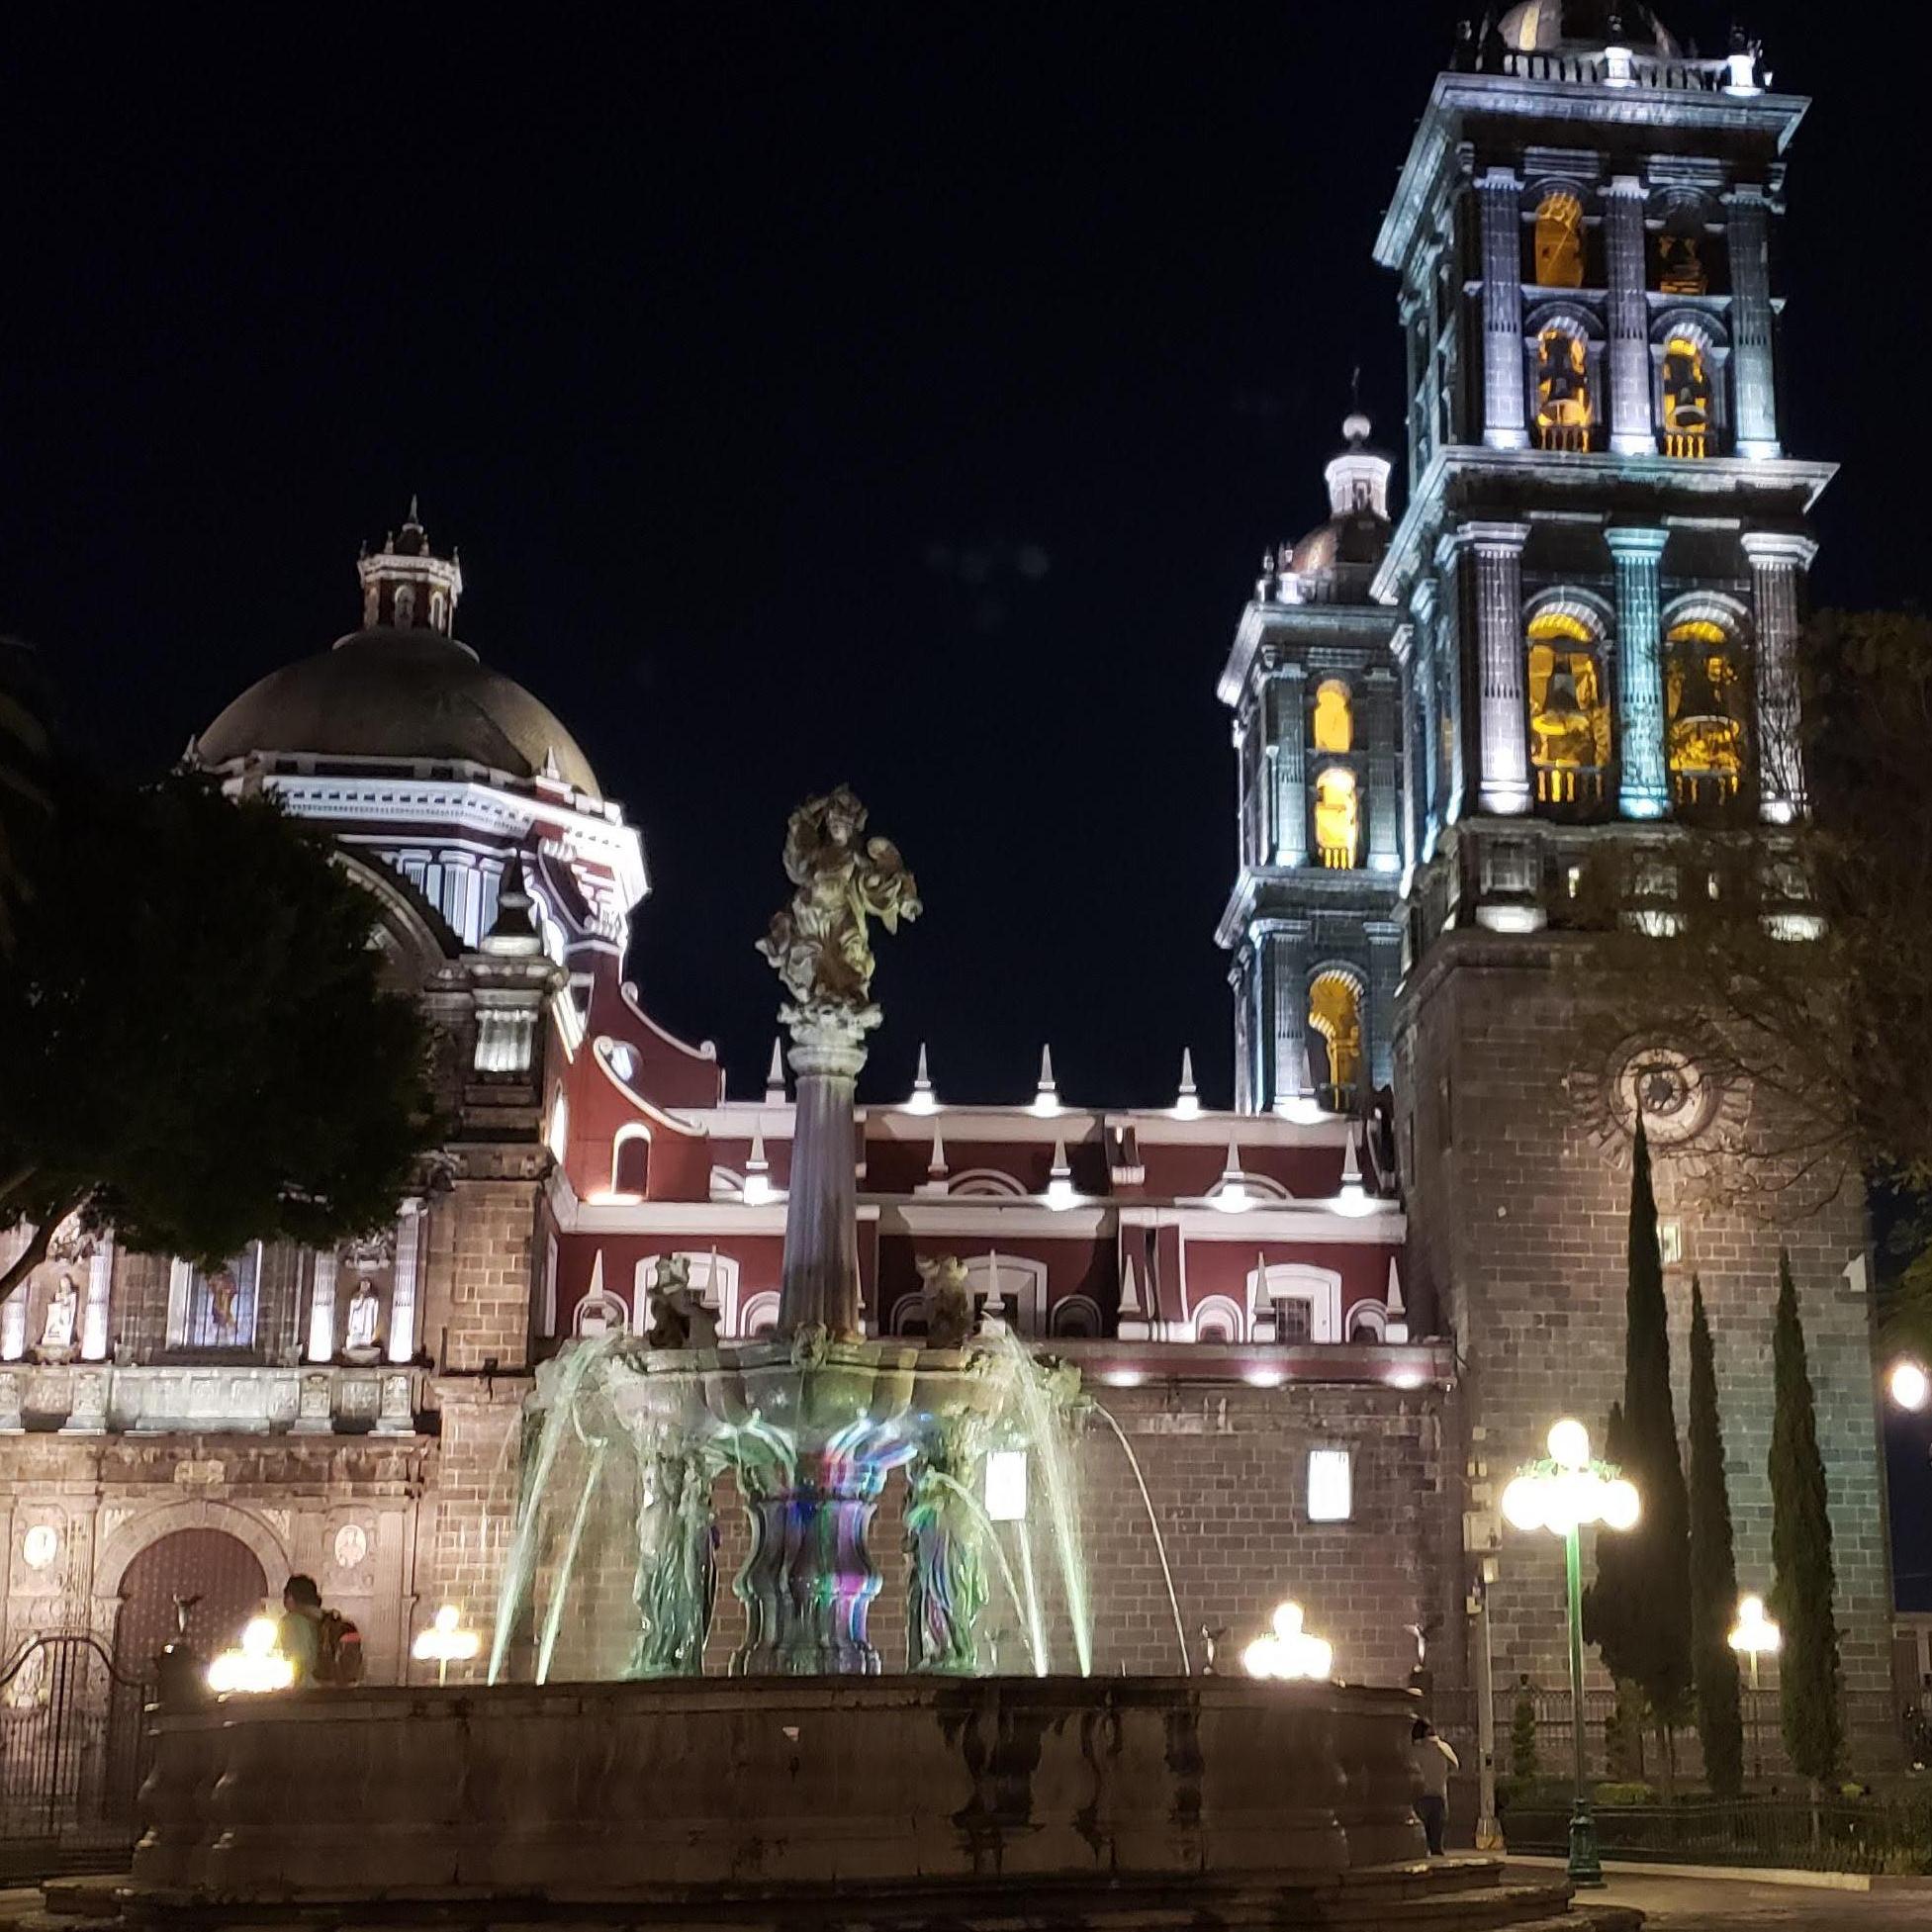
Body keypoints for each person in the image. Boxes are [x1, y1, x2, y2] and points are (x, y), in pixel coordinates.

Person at [1412, 1716, 1459, 1857]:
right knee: (1437, 1844)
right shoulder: (1443, 1748)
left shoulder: (1415, 1750)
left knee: (1420, 1844)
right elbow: (1455, 1766)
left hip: (1420, 1797)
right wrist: (1443, 1774)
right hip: (1439, 1796)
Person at [278, 1574, 323, 1684]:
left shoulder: (290, 1622)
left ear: (290, 1597)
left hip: (305, 1693)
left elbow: (294, 1661)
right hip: (335, 1692)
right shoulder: (327, 1619)